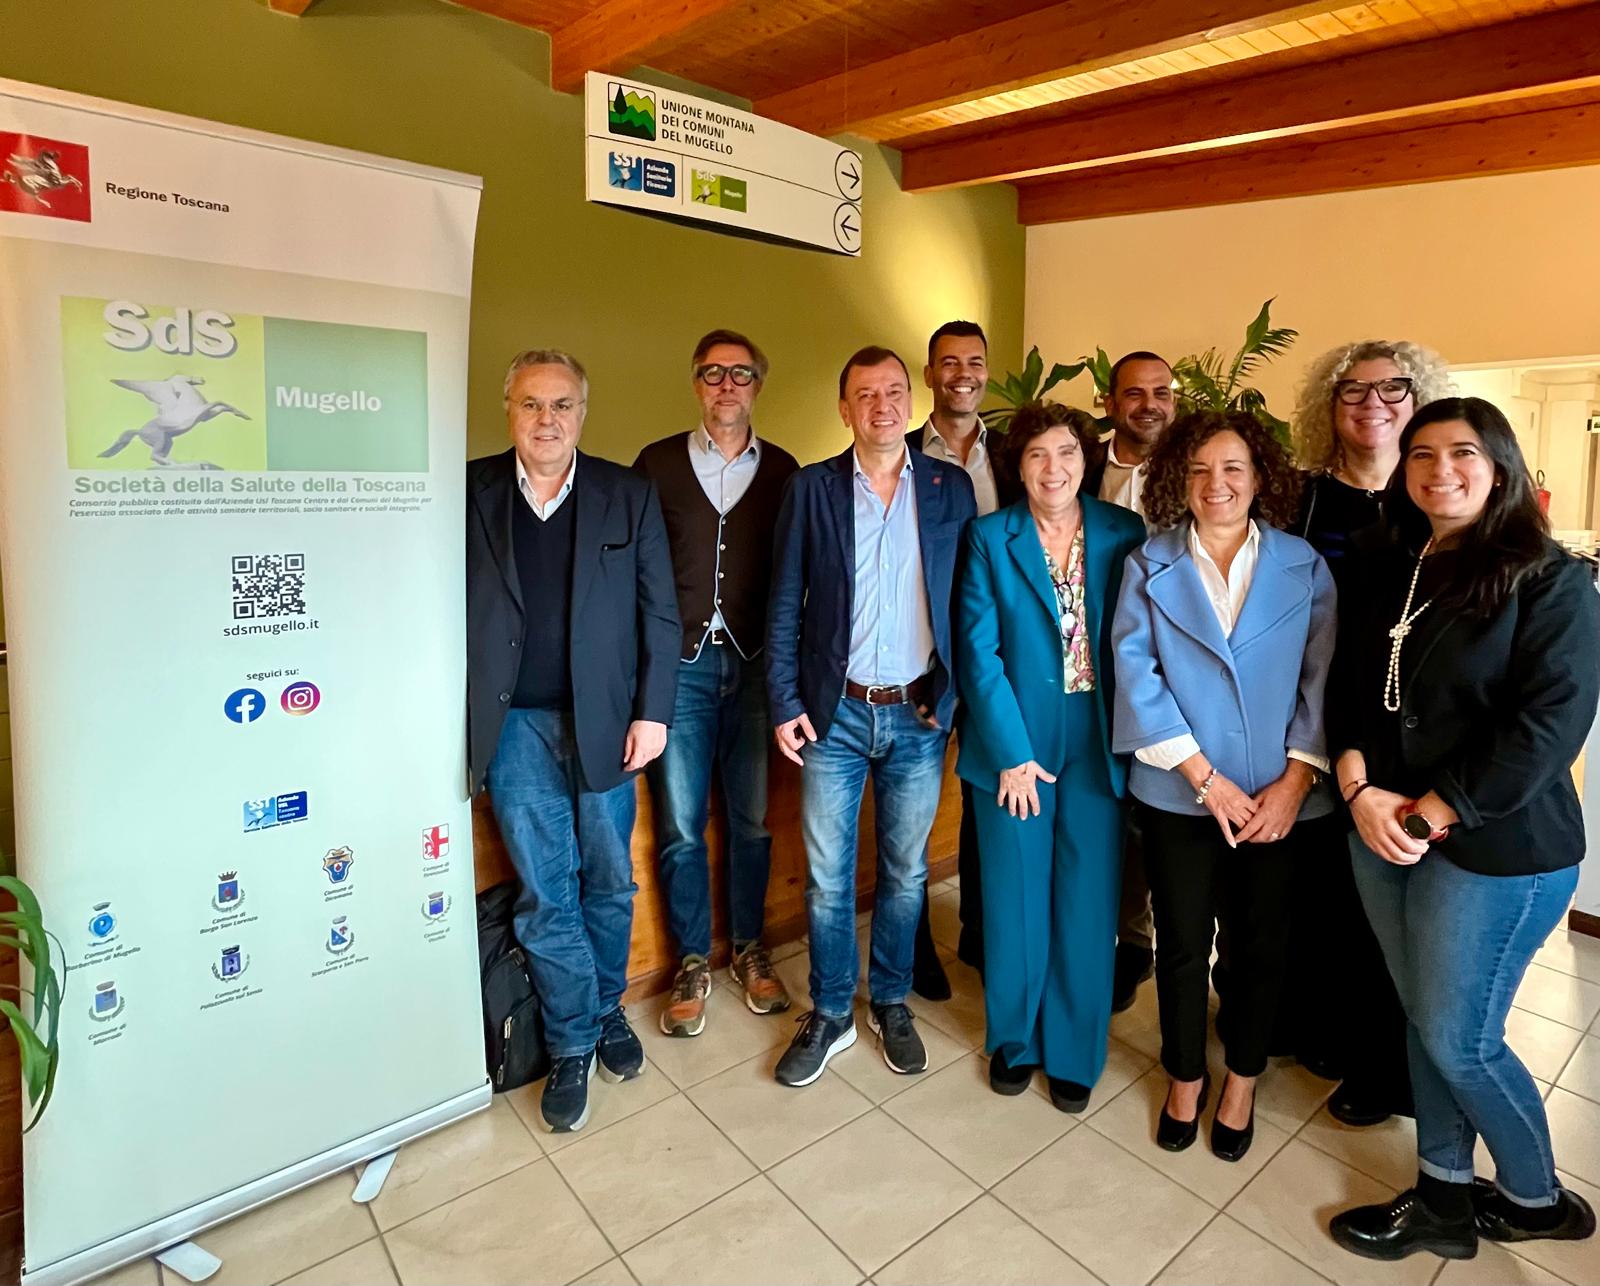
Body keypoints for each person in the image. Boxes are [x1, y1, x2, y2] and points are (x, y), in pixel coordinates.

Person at [1328, 397, 1600, 1261]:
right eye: (1421, 454)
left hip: (1494, 846)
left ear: (1500, 465)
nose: (1439, 470)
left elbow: (1549, 727)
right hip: (1381, 829)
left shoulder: (1549, 578)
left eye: (1462, 453)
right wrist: (1357, 785)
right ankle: (1443, 1194)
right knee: (1424, 1021)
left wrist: (1431, 810)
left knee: (1461, 1039)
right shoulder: (1387, 562)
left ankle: (1536, 1198)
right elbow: (1345, 688)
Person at [1112, 409, 1336, 1162]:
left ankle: (1241, 1077)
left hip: (1276, 795)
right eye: (1201, 469)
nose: (1218, 484)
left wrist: (1295, 782)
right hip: (1181, 791)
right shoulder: (1147, 563)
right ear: (1179, 480)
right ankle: (1184, 1074)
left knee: (1260, 946)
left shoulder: (1304, 564)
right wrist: (1204, 779)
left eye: (1234, 468)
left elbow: (1322, 680)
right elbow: (1136, 674)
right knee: (1180, 944)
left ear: (1260, 477)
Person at [467, 349, 680, 1133]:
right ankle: (571, 1042)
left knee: (610, 881)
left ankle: (604, 1008)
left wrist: (653, 711)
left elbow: (660, 612)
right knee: (545, 893)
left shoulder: (627, 494)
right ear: (509, 410)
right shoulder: (469, 493)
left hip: (608, 725)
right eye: (531, 403)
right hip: (514, 728)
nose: (546, 419)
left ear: (582, 414)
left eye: (561, 405)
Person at [766, 345, 977, 1087]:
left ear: (910, 401)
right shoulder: (812, 488)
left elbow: (967, 600)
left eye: (893, 391)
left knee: (905, 873)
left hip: (918, 715)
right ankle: (829, 1012)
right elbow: (785, 599)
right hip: (834, 716)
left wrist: (952, 696)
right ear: (844, 408)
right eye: (865, 394)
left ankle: (890, 1000)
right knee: (827, 879)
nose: (881, 405)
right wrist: (785, 701)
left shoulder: (949, 488)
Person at [1282, 340, 1454, 1125]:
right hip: (1311, 725)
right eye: (1353, 390)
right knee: (1321, 899)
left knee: (1398, 912)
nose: (1372, 403)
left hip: (1407, 739)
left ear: (1419, 400)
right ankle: (1318, 1030)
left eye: (1392, 389)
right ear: (1329, 406)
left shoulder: (1438, 504)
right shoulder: (1301, 499)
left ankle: (1384, 1068)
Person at [955, 402, 1143, 1110]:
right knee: (1014, 898)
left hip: (1098, 738)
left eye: (1066, 452)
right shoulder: (989, 537)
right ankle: (1015, 1041)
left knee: (1087, 903)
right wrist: (1010, 753)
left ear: (1085, 459)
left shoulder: (1123, 531)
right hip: (1014, 739)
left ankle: (1073, 1050)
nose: (1053, 468)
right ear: (1019, 465)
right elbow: (978, 653)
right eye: (1037, 454)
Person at [634, 330, 799, 1038]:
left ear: (758, 383)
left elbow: (797, 574)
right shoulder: (656, 464)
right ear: (696, 383)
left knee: (751, 819)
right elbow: (638, 572)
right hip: (680, 668)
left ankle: (751, 948)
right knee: (679, 824)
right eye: (713, 373)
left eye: (740, 373)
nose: (726, 384)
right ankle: (693, 961)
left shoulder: (785, 470)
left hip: (756, 668)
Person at [907, 319, 1017, 1000]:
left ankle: (980, 929)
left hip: (999, 656)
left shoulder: (1013, 454)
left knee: (989, 797)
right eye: (949, 363)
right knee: (913, 809)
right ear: (929, 375)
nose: (963, 374)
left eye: (974, 362)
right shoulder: (896, 451)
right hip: (925, 657)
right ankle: (914, 943)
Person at [1088, 351, 1179, 1013]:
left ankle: (1140, 939)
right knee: (1107, 805)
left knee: (1155, 810)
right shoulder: (1080, 462)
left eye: (1161, 392)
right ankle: (1109, 931)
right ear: (1110, 401)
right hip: (1088, 663)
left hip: (1169, 667)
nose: (1149, 405)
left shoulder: (1194, 468)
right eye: (1135, 393)